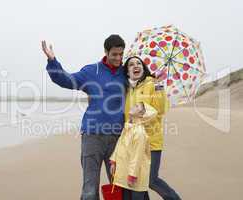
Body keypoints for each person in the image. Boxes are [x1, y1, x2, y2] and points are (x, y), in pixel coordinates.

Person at [41, 35, 127, 200]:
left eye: (121, 54)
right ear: (106, 52)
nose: (118, 58)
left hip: (117, 137)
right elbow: (67, 80)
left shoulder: (125, 74)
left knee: (118, 186)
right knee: (89, 187)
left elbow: (141, 83)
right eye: (114, 54)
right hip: (92, 136)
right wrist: (53, 61)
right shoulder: (91, 71)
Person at [122, 56, 182, 200]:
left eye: (138, 63)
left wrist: (159, 85)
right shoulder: (128, 90)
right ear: (127, 72)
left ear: (143, 68)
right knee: (136, 184)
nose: (136, 66)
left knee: (151, 180)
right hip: (133, 143)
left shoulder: (152, 84)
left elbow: (160, 110)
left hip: (151, 142)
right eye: (131, 64)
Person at [110, 101, 157, 200]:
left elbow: (137, 157)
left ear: (141, 114)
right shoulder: (128, 127)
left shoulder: (140, 133)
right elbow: (119, 145)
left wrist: (132, 176)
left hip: (135, 176)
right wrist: (114, 161)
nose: (132, 106)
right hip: (124, 172)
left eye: (136, 106)